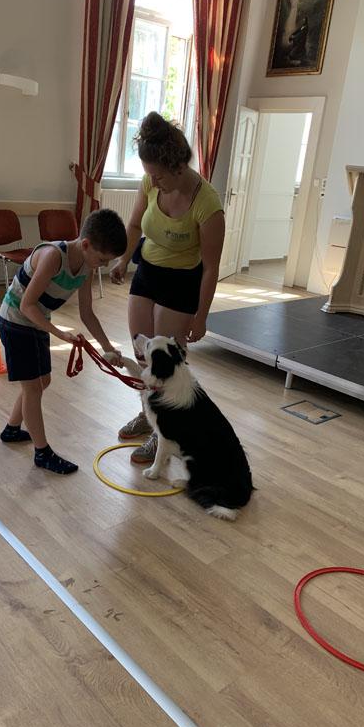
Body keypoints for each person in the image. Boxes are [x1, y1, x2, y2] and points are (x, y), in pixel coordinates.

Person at [110, 111, 225, 464]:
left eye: (158, 175)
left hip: (182, 281)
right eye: (149, 174)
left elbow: (211, 267)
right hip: (148, 272)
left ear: (177, 167)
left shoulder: (207, 204)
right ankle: (148, 414)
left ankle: (166, 433)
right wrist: (123, 259)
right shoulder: (150, 183)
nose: (153, 181)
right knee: (143, 353)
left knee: (168, 366)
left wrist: (201, 316)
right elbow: (134, 225)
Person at [0, 208, 126, 475]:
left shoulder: (87, 265)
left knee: (42, 382)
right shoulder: (53, 256)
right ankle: (42, 453)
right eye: (102, 259)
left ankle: (12, 429)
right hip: (15, 321)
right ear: (86, 244)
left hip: (35, 321)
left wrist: (108, 348)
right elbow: (27, 305)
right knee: (33, 387)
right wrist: (60, 333)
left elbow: (87, 313)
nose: (103, 266)